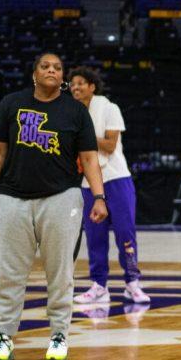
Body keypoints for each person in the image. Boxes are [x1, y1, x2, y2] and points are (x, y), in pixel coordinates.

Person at [0, 52, 109, 360]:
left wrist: (99, 196)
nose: (52, 70)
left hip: (61, 198)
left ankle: (59, 335)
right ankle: (4, 336)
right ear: (34, 74)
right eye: (45, 66)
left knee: (60, 271)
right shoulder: (11, 104)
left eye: (57, 67)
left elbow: (90, 157)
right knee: (8, 272)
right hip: (11, 198)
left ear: (62, 77)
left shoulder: (76, 112)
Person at [68, 66, 150, 306]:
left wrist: (82, 136)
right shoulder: (71, 113)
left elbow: (110, 145)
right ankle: (99, 285)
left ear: (92, 86)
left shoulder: (109, 108)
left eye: (81, 83)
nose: (76, 87)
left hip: (116, 178)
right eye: (72, 84)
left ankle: (132, 282)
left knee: (125, 232)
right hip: (88, 182)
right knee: (94, 235)